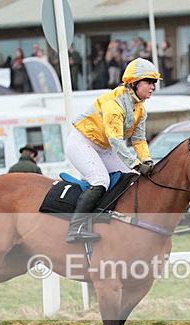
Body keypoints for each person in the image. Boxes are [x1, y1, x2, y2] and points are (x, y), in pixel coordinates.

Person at [64, 58, 161, 243]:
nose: (152, 87)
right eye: (149, 82)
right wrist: (136, 164)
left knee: (132, 178)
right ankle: (75, 228)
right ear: (133, 83)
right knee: (101, 180)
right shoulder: (114, 104)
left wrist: (146, 161)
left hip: (103, 147)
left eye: (154, 83)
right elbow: (116, 141)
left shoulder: (140, 109)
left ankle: (117, 221)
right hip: (82, 143)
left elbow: (139, 140)